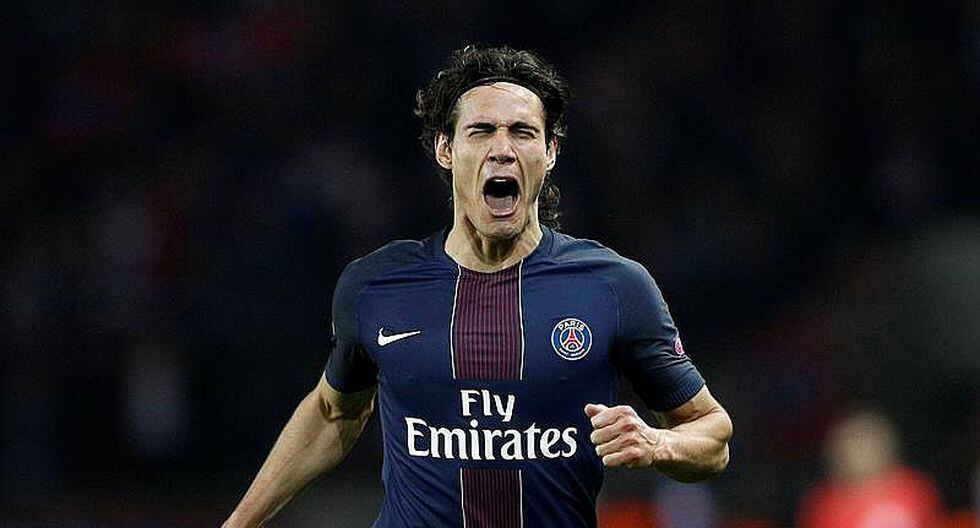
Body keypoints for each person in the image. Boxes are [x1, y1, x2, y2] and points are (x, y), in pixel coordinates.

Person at [223, 45, 732, 528]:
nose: (502, 150)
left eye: (523, 132)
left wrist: (659, 443)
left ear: (551, 151)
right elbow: (333, 413)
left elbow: (713, 436)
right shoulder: (376, 285)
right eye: (482, 131)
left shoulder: (613, 286)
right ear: (446, 148)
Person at [797, 408, 942, 528]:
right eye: (853, 445)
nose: (862, 453)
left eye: (868, 443)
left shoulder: (915, 490)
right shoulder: (825, 507)